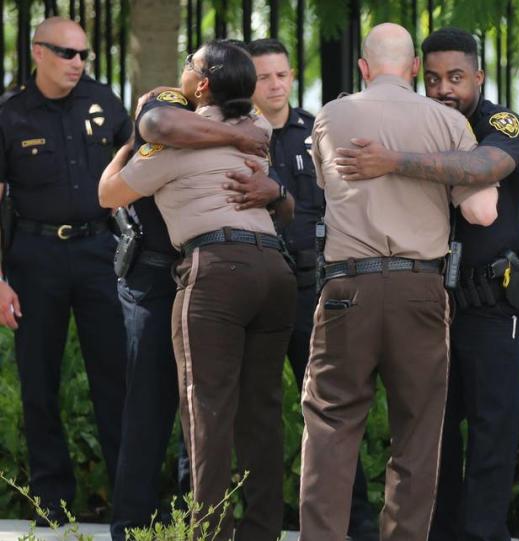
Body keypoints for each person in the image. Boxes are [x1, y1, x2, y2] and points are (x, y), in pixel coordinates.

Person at [298, 23, 498, 541]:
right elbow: (480, 212)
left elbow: (326, 188)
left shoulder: (332, 115)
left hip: (346, 288)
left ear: (363, 67)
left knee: (330, 425)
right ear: (414, 69)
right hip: (419, 290)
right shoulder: (447, 121)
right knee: (417, 431)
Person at [99, 40, 297, 541]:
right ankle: (262, 532)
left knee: (206, 411)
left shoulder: (170, 144)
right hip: (274, 269)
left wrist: (129, 140)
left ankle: (211, 534)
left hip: (217, 271)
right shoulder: (256, 133)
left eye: (189, 65)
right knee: (262, 412)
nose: (183, 70)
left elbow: (108, 193)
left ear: (203, 83)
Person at [243, 37, 378, 541]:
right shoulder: (235, 134)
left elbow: (344, 201)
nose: (275, 85)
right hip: (254, 286)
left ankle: (355, 526)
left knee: (329, 413)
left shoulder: (316, 130)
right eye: (263, 77)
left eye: (282, 74)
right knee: (249, 411)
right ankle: (255, 524)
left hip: (310, 287)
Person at [0, 17, 129, 520]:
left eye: (83, 55)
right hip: (35, 258)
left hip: (100, 253)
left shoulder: (106, 103)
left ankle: (128, 498)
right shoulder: (11, 114)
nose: (78, 63)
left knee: (116, 376)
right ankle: (51, 500)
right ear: (38, 52)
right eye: (66, 53)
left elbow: (141, 171)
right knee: (38, 381)